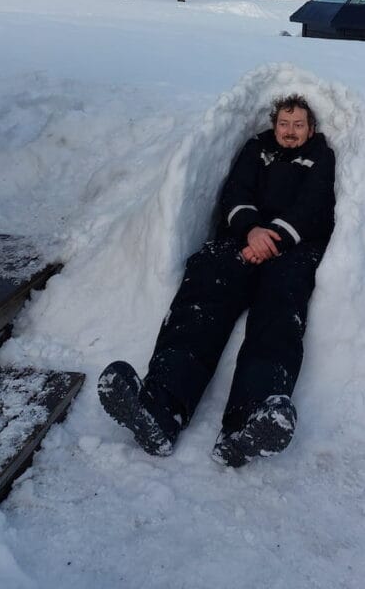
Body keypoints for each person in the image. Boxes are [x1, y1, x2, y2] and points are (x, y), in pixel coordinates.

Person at [98, 94, 336, 467]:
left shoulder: (320, 156)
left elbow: (314, 204)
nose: (290, 131)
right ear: (274, 125)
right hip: (243, 238)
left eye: (298, 125)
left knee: (279, 311)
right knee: (202, 295)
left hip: (293, 247)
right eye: (284, 124)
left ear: (311, 128)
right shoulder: (256, 149)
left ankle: (248, 423)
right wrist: (251, 231)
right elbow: (235, 192)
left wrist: (272, 239)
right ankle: (160, 409)